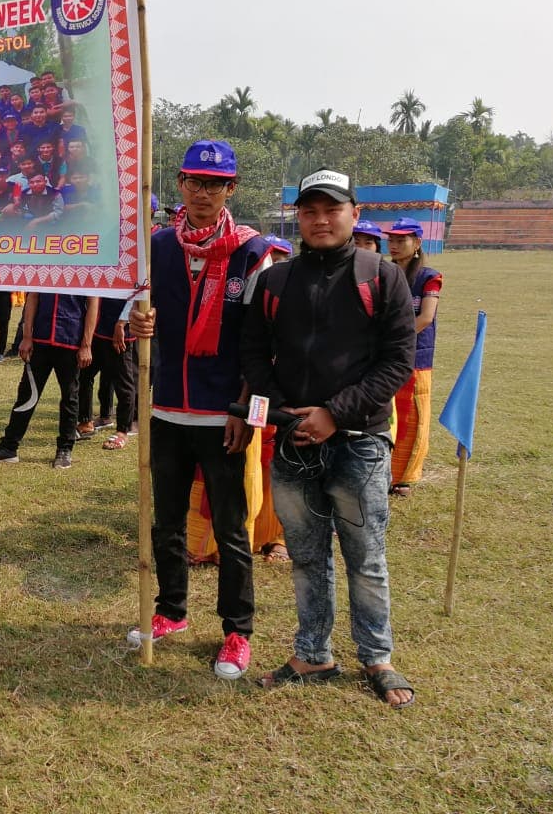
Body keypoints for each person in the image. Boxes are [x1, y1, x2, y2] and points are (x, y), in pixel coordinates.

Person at [239, 168, 417, 708]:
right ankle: (313, 652)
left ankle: (377, 657)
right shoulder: (273, 283)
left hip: (359, 442)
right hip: (293, 440)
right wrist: (285, 417)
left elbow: (398, 362)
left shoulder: (382, 278)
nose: (320, 219)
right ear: (298, 216)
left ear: (354, 215)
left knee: (366, 557)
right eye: (310, 210)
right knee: (306, 556)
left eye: (332, 209)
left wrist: (335, 414)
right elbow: (252, 357)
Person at [128, 140, 273, 680]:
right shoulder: (157, 246)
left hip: (225, 415)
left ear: (230, 189)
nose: (203, 193)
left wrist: (245, 410)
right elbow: (135, 318)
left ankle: (237, 631)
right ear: (181, 185)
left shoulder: (253, 252)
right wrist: (136, 326)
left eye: (214, 184)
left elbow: (263, 345)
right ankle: (171, 610)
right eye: (194, 182)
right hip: (167, 408)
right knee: (166, 520)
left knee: (232, 528)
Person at [0, 291, 97, 470]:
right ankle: (9, 447)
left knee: (70, 397)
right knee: (26, 395)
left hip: (70, 340)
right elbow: (32, 297)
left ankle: (65, 449)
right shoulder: (44, 265)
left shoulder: (85, 266)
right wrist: (26, 337)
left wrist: (86, 345)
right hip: (40, 339)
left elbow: (93, 302)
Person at [383, 217, 441, 496]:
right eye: (391, 239)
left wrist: (394, 341)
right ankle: (381, 472)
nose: (394, 245)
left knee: (412, 415)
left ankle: (403, 476)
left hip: (416, 356)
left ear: (417, 243)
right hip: (382, 355)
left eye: (401, 240)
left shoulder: (429, 277)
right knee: (386, 412)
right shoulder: (382, 271)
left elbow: (426, 318)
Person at [77, 297, 138, 450]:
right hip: (97, 328)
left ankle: (123, 431)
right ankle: (86, 422)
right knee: (84, 374)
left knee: (123, 384)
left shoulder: (134, 271)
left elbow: (137, 293)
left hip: (119, 330)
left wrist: (122, 322)